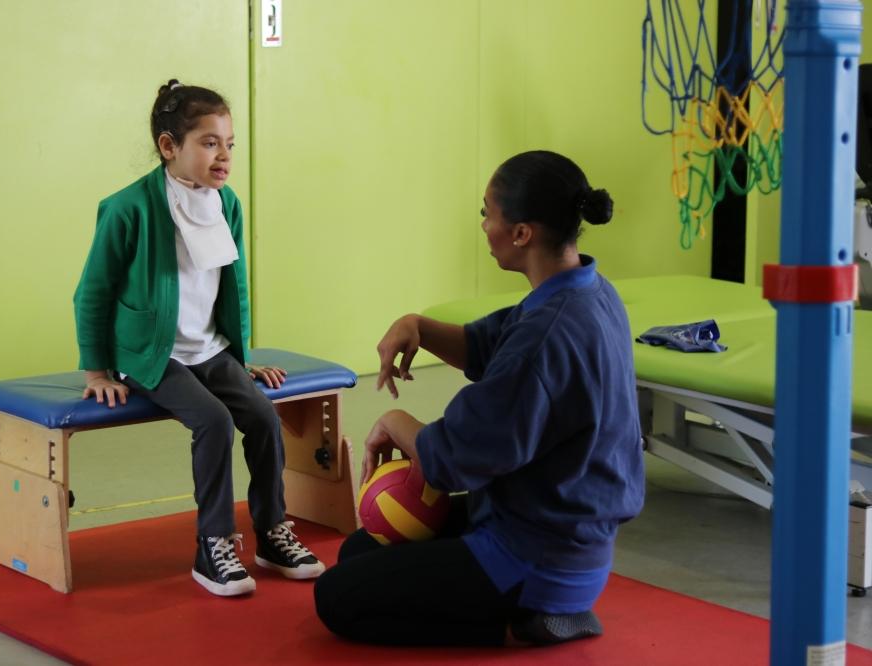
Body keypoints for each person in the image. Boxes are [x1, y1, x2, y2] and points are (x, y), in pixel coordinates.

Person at [313, 150, 645, 645]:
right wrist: (418, 327)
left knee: (335, 597)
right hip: (561, 526)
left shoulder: (547, 336)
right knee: (363, 549)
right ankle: (534, 605)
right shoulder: (589, 292)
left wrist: (394, 420)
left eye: (488, 212)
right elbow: (489, 343)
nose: (484, 224)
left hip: (536, 554)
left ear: (521, 233)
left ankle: (524, 618)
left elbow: (452, 459)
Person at [73, 79, 324, 597]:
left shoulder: (225, 202)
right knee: (212, 420)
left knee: (260, 416)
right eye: (209, 143)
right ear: (170, 147)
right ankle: (213, 546)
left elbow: (236, 287)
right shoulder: (128, 209)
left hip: (209, 349)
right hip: (151, 354)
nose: (224, 156)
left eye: (230, 143)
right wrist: (97, 371)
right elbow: (92, 293)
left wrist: (243, 357)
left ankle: (272, 534)